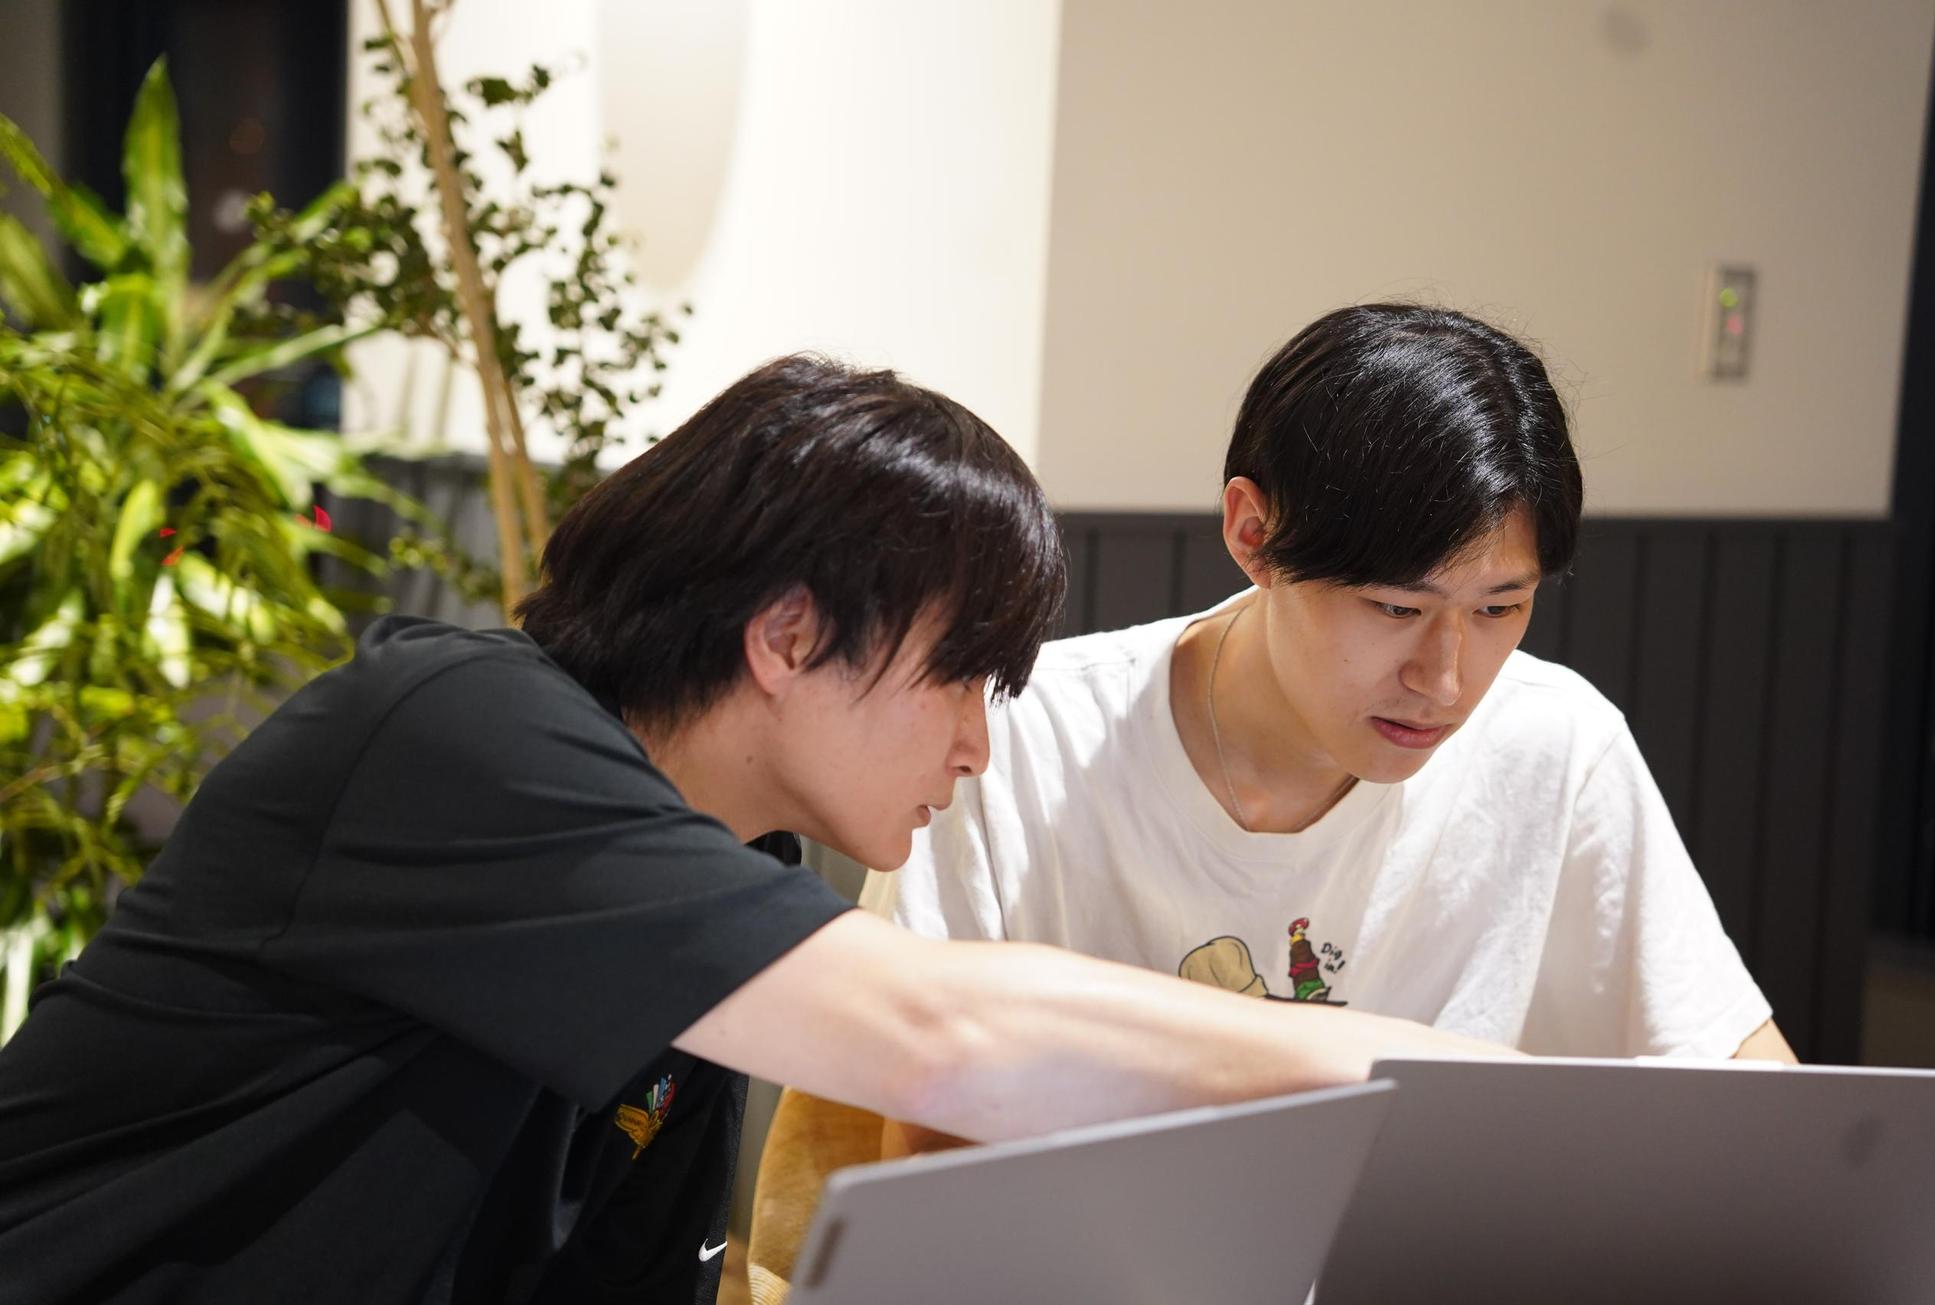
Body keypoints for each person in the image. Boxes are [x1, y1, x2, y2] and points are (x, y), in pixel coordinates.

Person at [0, 355, 1501, 1305]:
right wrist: (1454, 1087)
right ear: (787, 636)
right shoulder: (457, 735)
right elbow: (940, 1031)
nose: (978, 744)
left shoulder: (731, 898)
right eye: (959, 678)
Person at [749, 306, 1794, 1296]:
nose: (1444, 678)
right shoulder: (1019, 743)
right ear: (1251, 531)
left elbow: (1746, 1088)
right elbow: (931, 1172)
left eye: (1499, 608)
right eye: (1394, 607)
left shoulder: (1554, 742)